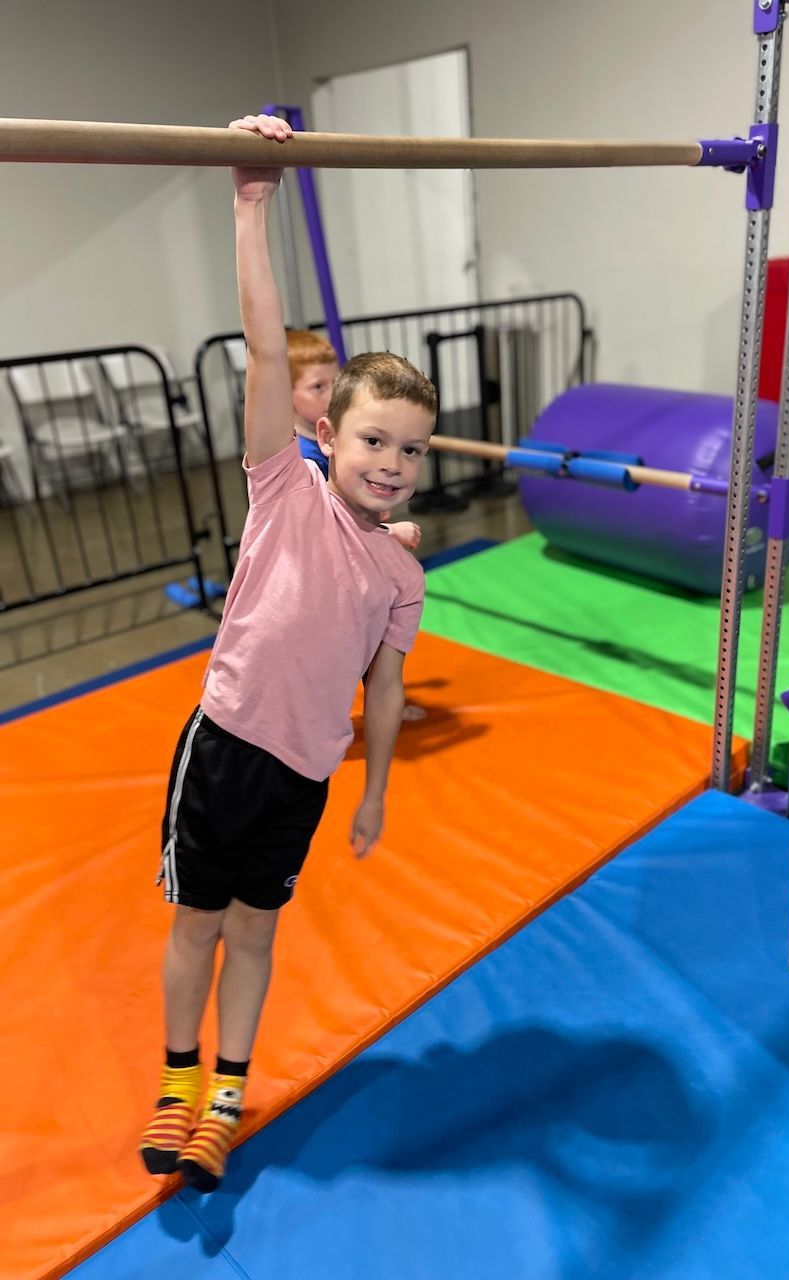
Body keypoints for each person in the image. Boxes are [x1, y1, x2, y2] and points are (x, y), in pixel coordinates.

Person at [138, 112, 437, 1192]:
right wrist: (248, 201)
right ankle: (175, 1085)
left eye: (412, 447)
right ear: (326, 436)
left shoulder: (403, 573)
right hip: (224, 746)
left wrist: (375, 791)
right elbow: (270, 346)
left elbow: (390, 686)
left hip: (307, 772)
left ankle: (224, 1096)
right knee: (197, 924)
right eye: (372, 439)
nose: (393, 462)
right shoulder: (282, 486)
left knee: (255, 935)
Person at [288, 329, 428, 721]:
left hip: (348, 568)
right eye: (317, 386)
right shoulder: (298, 460)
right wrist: (386, 534)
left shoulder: (337, 442)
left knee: (373, 631)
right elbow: (323, 524)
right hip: (314, 575)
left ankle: (381, 701)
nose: (330, 393)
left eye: (334, 382)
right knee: (321, 655)